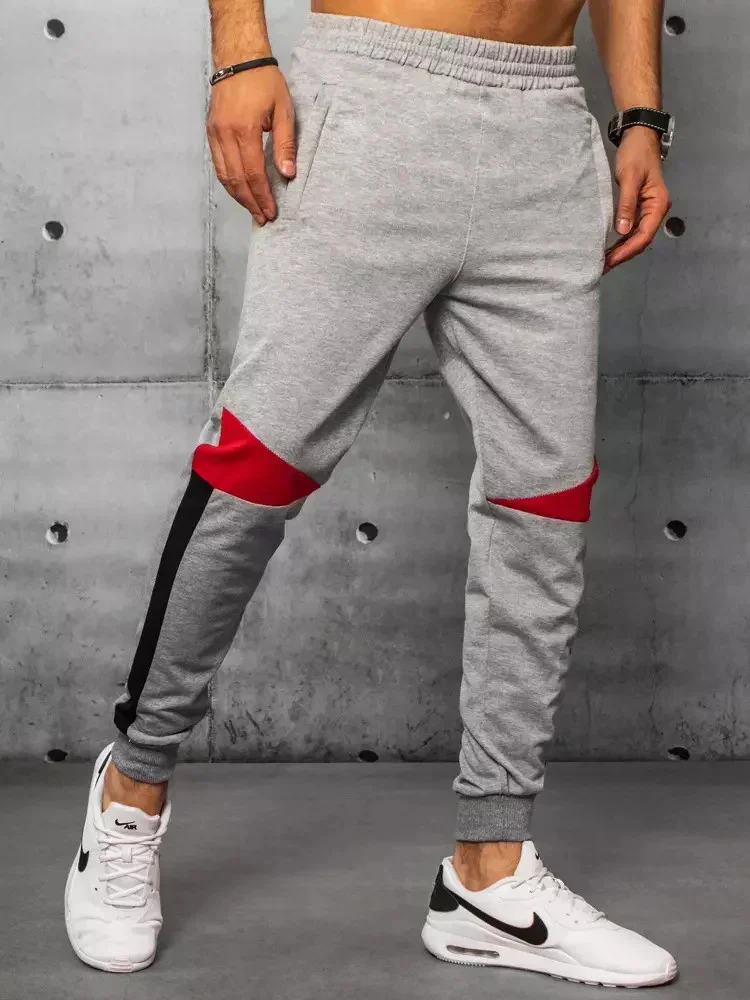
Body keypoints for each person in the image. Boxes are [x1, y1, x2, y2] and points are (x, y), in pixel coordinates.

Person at [64, 0, 678, 987]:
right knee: (256, 470)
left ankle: (489, 872)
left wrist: (641, 115)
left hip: (546, 129)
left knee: (545, 506)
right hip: (373, 95)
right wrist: (238, 51)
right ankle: (131, 790)